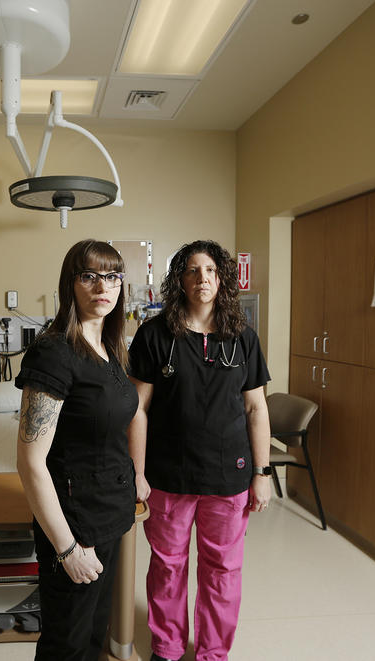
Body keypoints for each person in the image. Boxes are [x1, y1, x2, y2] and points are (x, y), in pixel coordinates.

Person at [127, 240, 271, 661]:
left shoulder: (242, 337)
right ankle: (168, 647)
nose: (202, 278)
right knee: (168, 567)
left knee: (223, 571)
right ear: (180, 279)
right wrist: (138, 473)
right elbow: (138, 409)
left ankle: (212, 652)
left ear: (222, 278)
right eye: (192, 270)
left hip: (229, 478)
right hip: (169, 476)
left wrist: (262, 473)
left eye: (210, 270)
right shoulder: (155, 335)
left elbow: (256, 407)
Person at [15, 239, 139, 661]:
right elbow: (31, 462)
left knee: (91, 637)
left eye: (111, 276)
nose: (101, 286)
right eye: (89, 276)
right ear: (71, 283)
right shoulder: (54, 353)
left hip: (110, 514)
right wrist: (67, 548)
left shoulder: (111, 347)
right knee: (65, 644)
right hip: (75, 525)